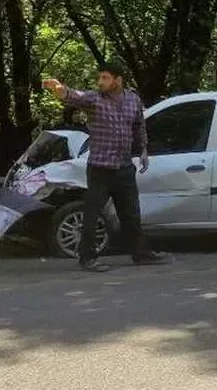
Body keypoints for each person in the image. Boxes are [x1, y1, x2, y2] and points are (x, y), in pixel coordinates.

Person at [41, 64, 169, 272]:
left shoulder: (133, 100)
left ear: (118, 81)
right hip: (100, 168)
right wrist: (59, 89)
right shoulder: (94, 99)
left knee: (131, 214)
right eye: (100, 77)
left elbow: (139, 126)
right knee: (92, 213)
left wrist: (143, 150)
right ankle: (87, 257)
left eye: (105, 78)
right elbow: (73, 96)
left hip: (124, 167)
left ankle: (141, 253)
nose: (100, 82)